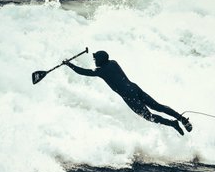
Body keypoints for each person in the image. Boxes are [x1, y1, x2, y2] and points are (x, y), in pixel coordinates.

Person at [63, 50, 192, 135]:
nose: (94, 61)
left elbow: (83, 72)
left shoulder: (101, 71)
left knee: (149, 117)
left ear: (101, 60)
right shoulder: (113, 63)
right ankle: (182, 119)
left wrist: (69, 64)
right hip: (135, 88)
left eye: (96, 58)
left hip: (129, 96)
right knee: (158, 106)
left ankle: (173, 123)